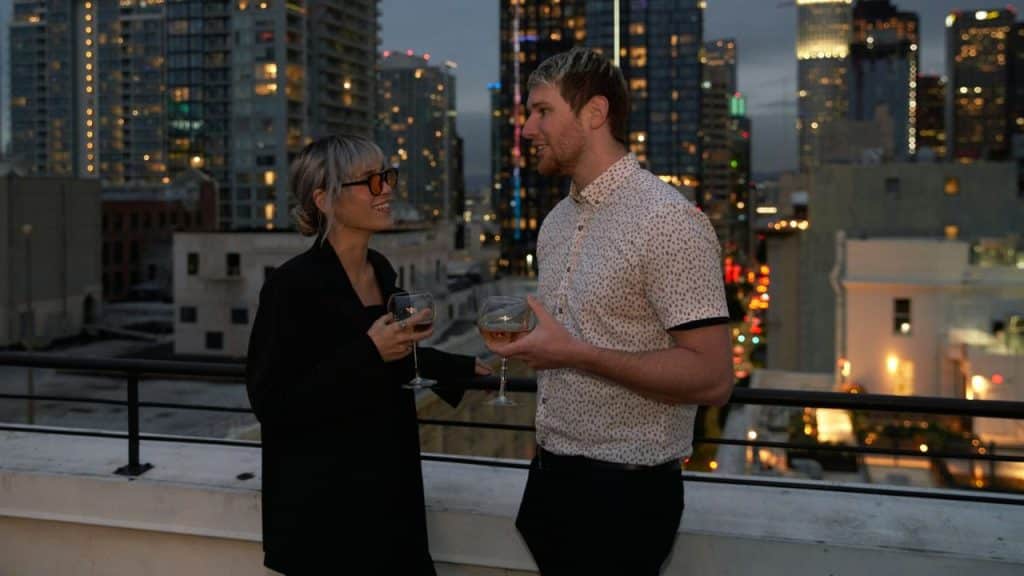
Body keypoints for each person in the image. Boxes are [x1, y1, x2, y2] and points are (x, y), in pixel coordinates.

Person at [486, 47, 735, 575]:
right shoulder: (554, 222)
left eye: (542, 111)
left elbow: (713, 378)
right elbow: (580, 334)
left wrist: (577, 354)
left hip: (626, 495)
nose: (528, 129)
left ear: (594, 114)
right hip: (551, 481)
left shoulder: (665, 221)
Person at [245, 134, 489, 575]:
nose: (387, 189)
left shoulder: (381, 270)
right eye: (370, 181)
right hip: (327, 511)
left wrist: (463, 366)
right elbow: (272, 403)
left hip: (390, 490)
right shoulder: (290, 287)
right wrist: (369, 350)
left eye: (386, 176)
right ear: (325, 199)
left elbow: (390, 358)